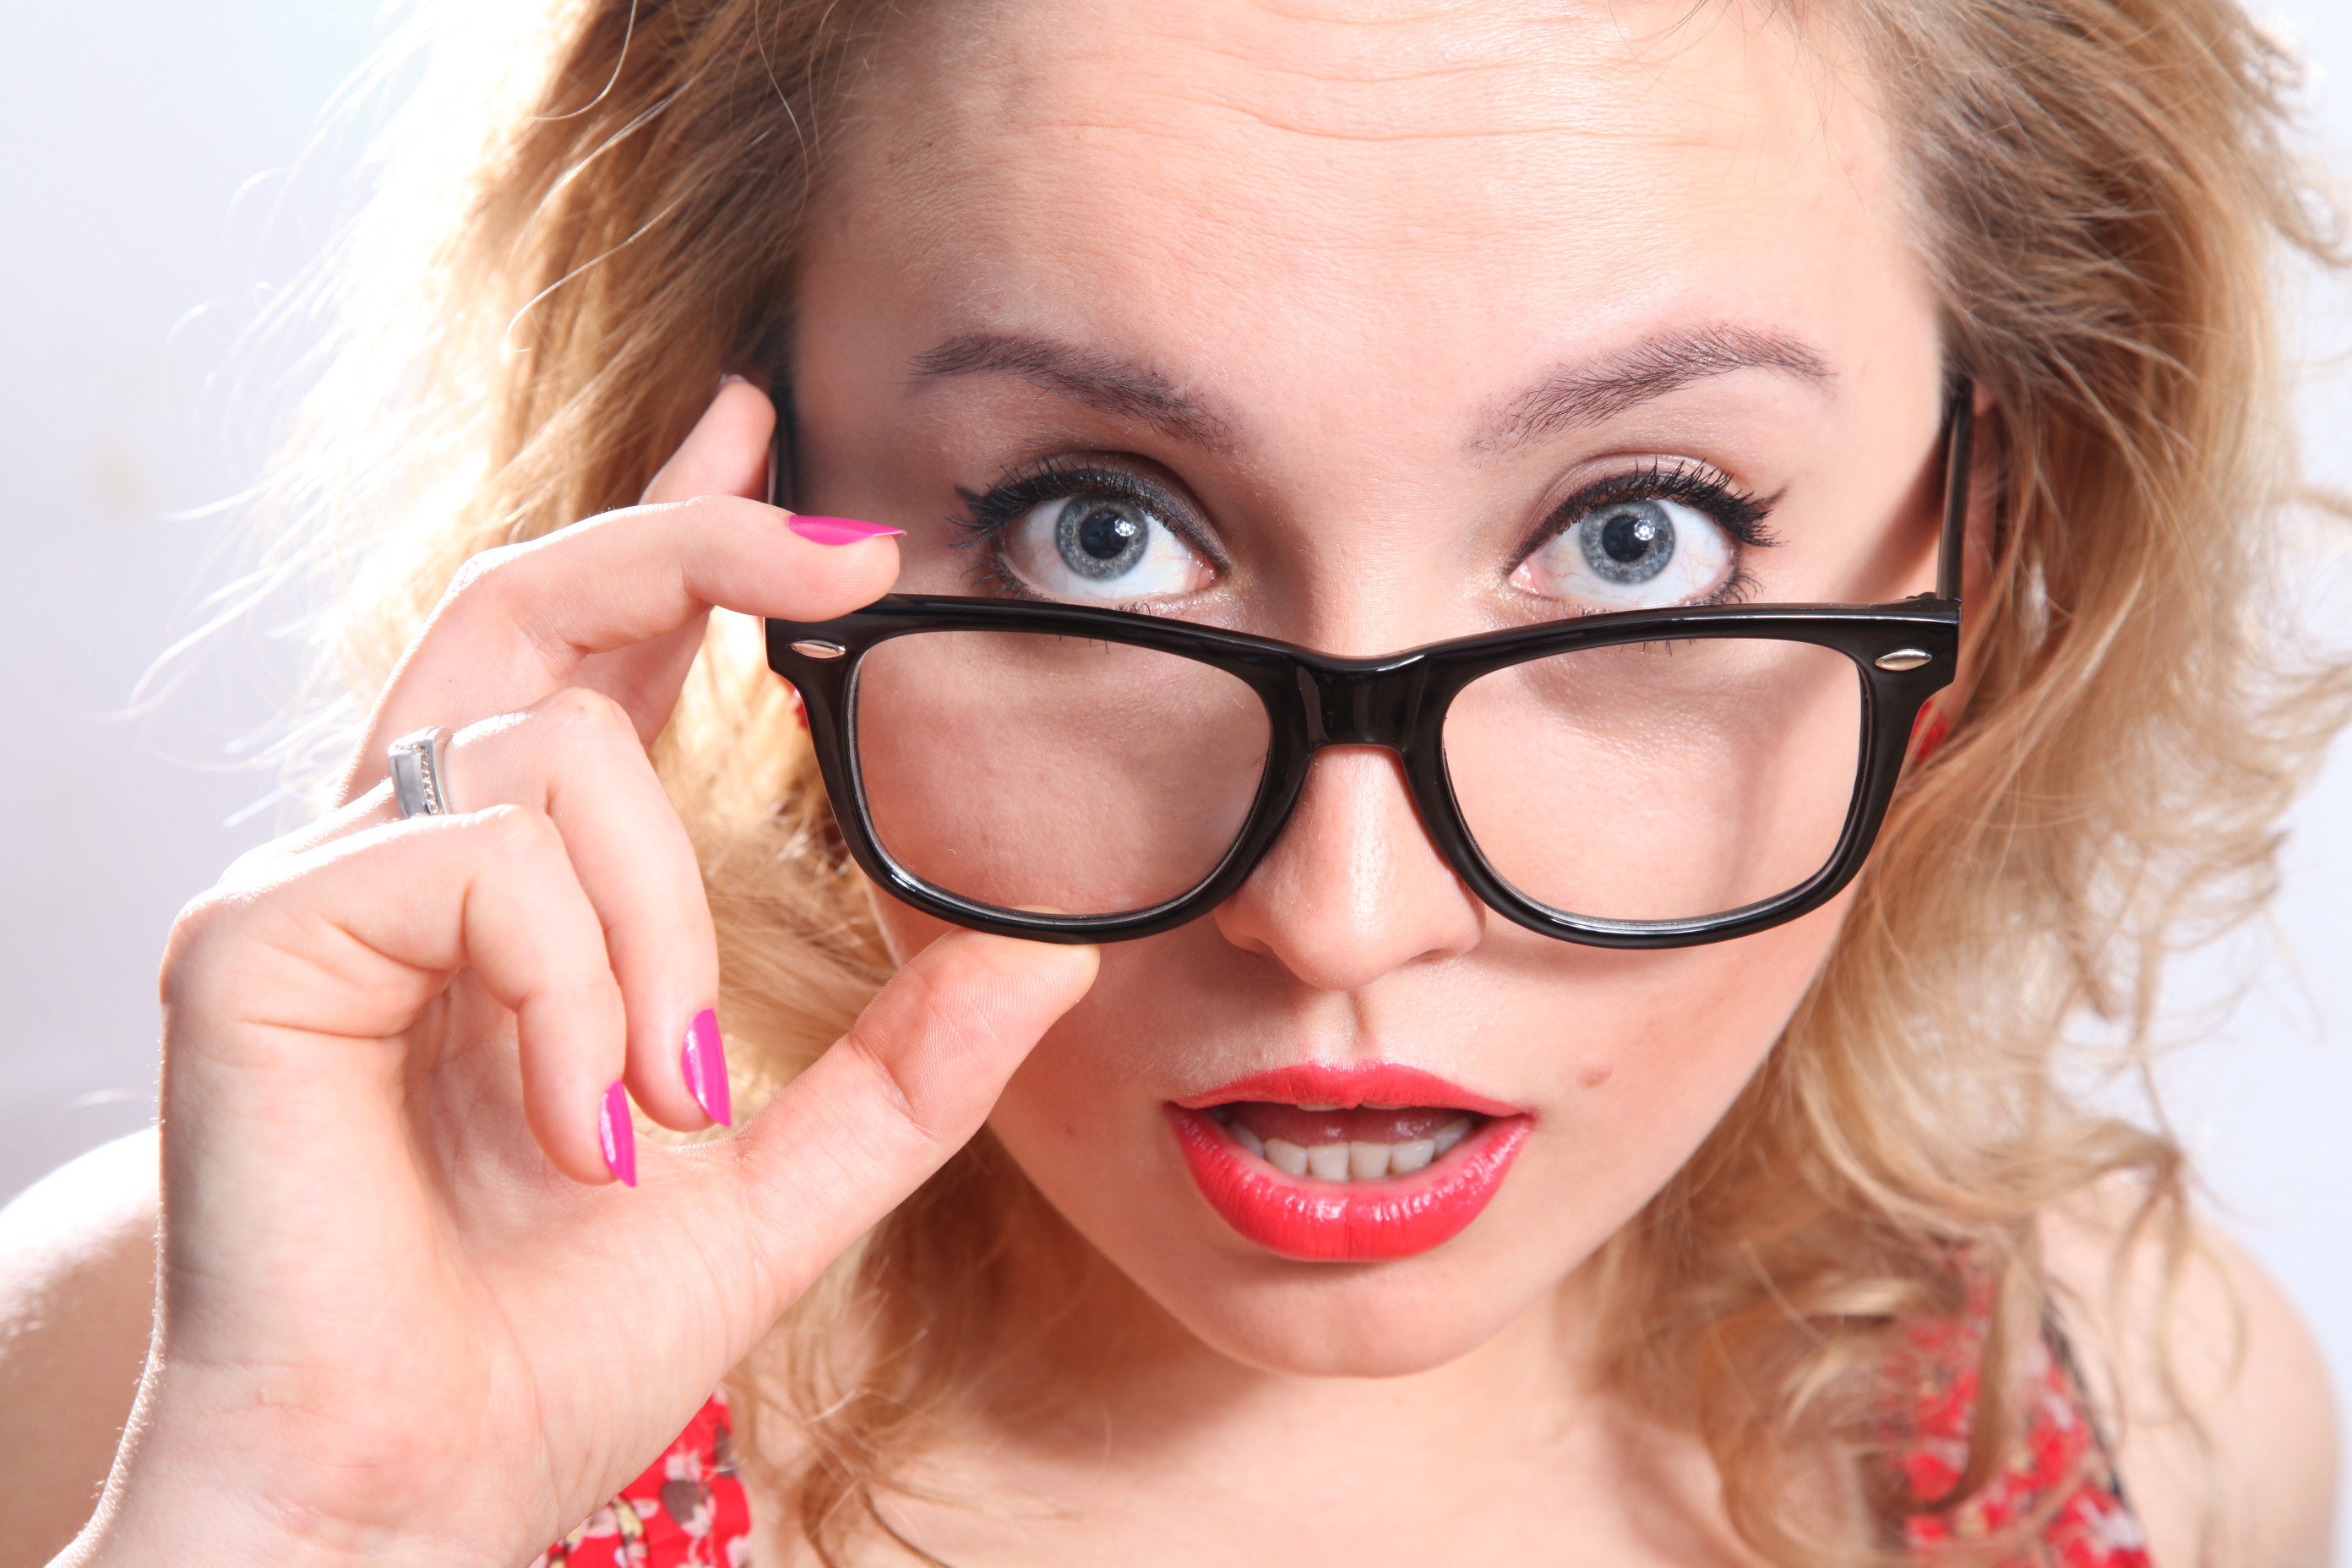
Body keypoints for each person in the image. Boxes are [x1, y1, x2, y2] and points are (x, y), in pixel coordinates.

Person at [0, 0, 2342, 1562]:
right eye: (1093, 531)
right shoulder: (198, 1374)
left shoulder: (2152, 1413)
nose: (1339, 913)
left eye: (1642, 536)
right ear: (736, 510)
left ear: (1983, 548)